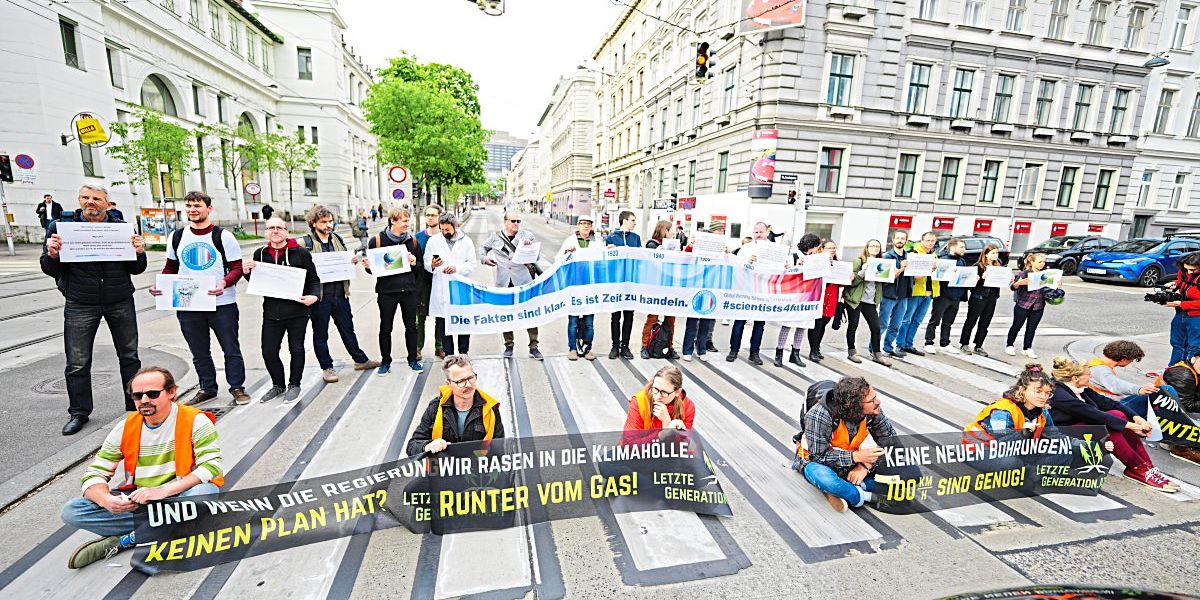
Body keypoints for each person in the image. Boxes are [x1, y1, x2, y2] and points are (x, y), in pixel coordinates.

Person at [60, 367, 222, 569]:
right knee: (72, 511)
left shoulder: (195, 420)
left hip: (180, 496)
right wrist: (107, 500)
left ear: (172, 392)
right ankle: (170, 530)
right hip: (142, 505)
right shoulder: (125, 427)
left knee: (203, 494)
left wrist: (161, 491)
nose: (144, 400)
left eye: (153, 394)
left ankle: (125, 540)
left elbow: (211, 466)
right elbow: (95, 473)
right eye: (137, 395)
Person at [42, 185, 146, 436]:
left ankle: (134, 408)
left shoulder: (122, 227)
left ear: (107, 203)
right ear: (79, 201)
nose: (90, 202)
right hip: (80, 301)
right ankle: (79, 413)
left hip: (119, 299)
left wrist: (140, 253)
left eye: (96, 198)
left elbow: (137, 269)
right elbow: (50, 269)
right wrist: (52, 255)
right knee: (77, 362)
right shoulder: (60, 227)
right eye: (85, 198)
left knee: (129, 356)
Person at [149, 191, 249, 405]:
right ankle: (207, 388)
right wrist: (161, 285)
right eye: (189, 206)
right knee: (199, 351)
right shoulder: (177, 237)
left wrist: (224, 282)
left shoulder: (223, 236)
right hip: (189, 303)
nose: (193, 209)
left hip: (222, 304)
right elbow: (171, 267)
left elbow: (237, 268)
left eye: (197, 205)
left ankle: (237, 387)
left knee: (230, 348)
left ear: (209, 208)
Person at [1049, 357, 1177, 492]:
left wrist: (1137, 418)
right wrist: (1132, 426)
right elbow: (1091, 414)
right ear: (1075, 378)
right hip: (1061, 435)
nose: (1090, 377)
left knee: (1117, 414)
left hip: (1081, 427)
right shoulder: (1058, 393)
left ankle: (1146, 466)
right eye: (1088, 375)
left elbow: (1110, 403)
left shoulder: (1081, 388)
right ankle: (1136, 467)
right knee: (1108, 429)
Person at [300, 205, 381, 383]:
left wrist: (350, 260)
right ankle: (327, 367)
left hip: (340, 293)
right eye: (324, 222)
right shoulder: (305, 243)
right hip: (320, 296)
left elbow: (344, 260)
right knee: (320, 333)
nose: (329, 225)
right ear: (313, 223)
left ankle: (360, 360)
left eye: (330, 221)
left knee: (347, 328)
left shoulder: (336, 238)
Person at [243, 218, 320, 402]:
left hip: (297, 311)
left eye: (279, 228)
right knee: (268, 351)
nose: (275, 231)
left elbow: (314, 280)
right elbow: (258, 283)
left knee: (297, 349)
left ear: (286, 231)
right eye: (271, 228)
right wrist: (247, 273)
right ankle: (278, 385)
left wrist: (314, 296)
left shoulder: (300, 253)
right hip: (271, 312)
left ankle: (294, 384)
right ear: (266, 232)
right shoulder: (260, 254)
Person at [793, 376, 897, 512]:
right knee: (826, 480)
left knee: (910, 472)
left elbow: (891, 441)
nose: (878, 401)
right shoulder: (819, 415)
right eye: (872, 400)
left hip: (854, 464)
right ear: (855, 407)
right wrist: (855, 457)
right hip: (818, 462)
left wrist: (864, 466)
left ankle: (844, 488)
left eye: (875, 396)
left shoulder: (873, 410)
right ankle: (861, 495)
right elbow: (818, 456)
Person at [366, 207, 426, 374]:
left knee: (411, 327)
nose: (408, 224)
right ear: (393, 221)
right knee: (386, 327)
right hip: (387, 292)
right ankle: (385, 362)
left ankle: (413, 360)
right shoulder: (377, 241)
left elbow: (420, 268)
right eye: (404, 221)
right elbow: (372, 270)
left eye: (409, 220)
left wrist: (415, 263)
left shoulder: (412, 242)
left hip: (408, 291)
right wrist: (368, 267)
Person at [406, 355, 505, 456]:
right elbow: (412, 446)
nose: (468, 385)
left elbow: (499, 449)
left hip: (477, 469)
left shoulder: (490, 409)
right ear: (448, 383)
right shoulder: (435, 408)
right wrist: (427, 446)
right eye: (460, 381)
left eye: (471, 378)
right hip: (444, 469)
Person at [479, 211, 543, 359]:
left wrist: (529, 246)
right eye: (513, 221)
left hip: (523, 281)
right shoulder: (495, 236)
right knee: (506, 314)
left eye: (518, 221)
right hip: (504, 281)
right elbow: (482, 248)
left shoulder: (527, 236)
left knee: (529, 313)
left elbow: (536, 257)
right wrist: (484, 259)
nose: (516, 224)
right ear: (505, 221)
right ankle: (509, 345)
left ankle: (534, 346)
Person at [426, 213, 478, 355]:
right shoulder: (433, 241)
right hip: (441, 287)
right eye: (442, 229)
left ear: (455, 227)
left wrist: (456, 269)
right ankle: (448, 355)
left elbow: (472, 264)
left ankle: (463, 354)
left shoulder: (466, 241)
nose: (444, 233)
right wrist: (432, 264)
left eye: (447, 230)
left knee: (463, 323)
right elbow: (426, 263)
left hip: (460, 287)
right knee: (444, 325)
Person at [728, 222, 778, 366]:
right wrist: (747, 261)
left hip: (763, 291)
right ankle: (734, 350)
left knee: (759, 324)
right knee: (739, 322)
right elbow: (738, 266)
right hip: (746, 290)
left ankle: (754, 353)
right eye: (756, 232)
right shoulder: (746, 248)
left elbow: (780, 268)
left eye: (761, 232)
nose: (758, 234)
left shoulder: (774, 249)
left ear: (767, 232)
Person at [775, 233, 822, 367]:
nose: (818, 250)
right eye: (817, 247)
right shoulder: (793, 256)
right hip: (794, 296)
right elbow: (785, 272)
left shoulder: (816, 259)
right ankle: (779, 353)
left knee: (802, 326)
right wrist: (796, 265)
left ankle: (795, 353)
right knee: (787, 325)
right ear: (811, 245)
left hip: (808, 296)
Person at [556, 214, 599, 360]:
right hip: (574, 286)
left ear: (591, 226)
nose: (585, 226)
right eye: (582, 223)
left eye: (588, 224)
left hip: (590, 287)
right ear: (578, 225)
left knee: (589, 322)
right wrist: (566, 252)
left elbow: (605, 260)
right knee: (573, 321)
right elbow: (558, 260)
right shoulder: (570, 241)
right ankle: (572, 348)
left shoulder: (598, 242)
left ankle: (588, 349)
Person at [844, 239, 891, 366]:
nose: (875, 248)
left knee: (876, 327)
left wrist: (887, 273)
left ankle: (877, 354)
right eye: (872, 246)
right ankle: (852, 352)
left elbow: (884, 283)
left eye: (878, 246)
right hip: (855, 299)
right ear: (867, 247)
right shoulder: (859, 261)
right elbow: (851, 282)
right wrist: (863, 271)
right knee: (853, 325)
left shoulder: (881, 262)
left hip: (870, 301)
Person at [1086, 341, 1159, 419]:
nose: (1131, 362)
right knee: (1155, 394)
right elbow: (1115, 385)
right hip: (1110, 409)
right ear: (1123, 359)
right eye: (1131, 360)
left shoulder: (1096, 364)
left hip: (1108, 404)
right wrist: (1139, 389)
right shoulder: (1101, 370)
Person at [623, 366, 695, 444]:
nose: (657, 397)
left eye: (664, 392)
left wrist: (667, 424)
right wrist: (662, 434)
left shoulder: (688, 406)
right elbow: (629, 444)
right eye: (655, 389)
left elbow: (683, 445)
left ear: (677, 392)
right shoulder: (639, 401)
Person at [641, 220, 680, 359]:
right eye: (671, 230)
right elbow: (648, 263)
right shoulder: (652, 244)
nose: (673, 233)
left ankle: (669, 347)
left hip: (670, 288)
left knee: (670, 320)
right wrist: (658, 253)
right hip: (656, 289)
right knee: (652, 318)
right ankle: (645, 346)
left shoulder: (674, 245)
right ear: (664, 230)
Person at [606, 211, 642, 359]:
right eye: (632, 220)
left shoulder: (636, 238)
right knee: (615, 317)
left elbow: (641, 258)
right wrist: (609, 251)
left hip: (631, 282)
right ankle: (615, 345)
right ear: (624, 221)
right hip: (616, 282)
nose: (634, 223)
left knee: (629, 316)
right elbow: (607, 260)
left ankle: (625, 346)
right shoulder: (612, 237)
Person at [898, 231, 940, 357]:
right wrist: (926, 271)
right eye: (928, 240)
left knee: (917, 321)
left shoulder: (934, 255)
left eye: (933, 241)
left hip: (928, 293)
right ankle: (900, 344)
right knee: (906, 319)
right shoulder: (914, 254)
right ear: (922, 241)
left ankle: (908, 344)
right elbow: (911, 276)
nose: (930, 243)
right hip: (915, 292)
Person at [924, 238, 968, 354]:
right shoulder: (943, 259)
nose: (964, 249)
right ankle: (929, 342)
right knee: (935, 320)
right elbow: (936, 276)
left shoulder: (962, 261)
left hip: (956, 296)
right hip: (943, 295)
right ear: (952, 247)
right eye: (961, 247)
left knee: (948, 321)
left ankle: (945, 343)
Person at [959, 244, 1003, 356]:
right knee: (971, 321)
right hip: (978, 297)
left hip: (991, 298)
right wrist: (980, 279)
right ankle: (964, 343)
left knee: (985, 323)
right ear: (986, 254)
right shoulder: (978, 266)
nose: (995, 255)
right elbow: (970, 284)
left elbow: (999, 282)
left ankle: (978, 345)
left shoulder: (998, 266)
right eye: (993, 253)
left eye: (996, 253)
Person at [414, 204, 445, 360]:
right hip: (422, 283)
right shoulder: (416, 238)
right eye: (428, 215)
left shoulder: (445, 237)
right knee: (420, 316)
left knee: (441, 315)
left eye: (433, 215)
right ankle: (418, 347)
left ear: (440, 216)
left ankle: (439, 346)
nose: (430, 218)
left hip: (440, 281)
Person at [805, 240, 843, 363]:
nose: (832, 250)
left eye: (834, 248)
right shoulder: (817, 261)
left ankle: (817, 348)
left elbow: (841, 282)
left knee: (823, 324)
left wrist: (848, 278)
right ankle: (813, 350)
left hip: (832, 297)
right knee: (817, 324)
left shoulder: (838, 264)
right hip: (820, 295)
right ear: (822, 249)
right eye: (829, 248)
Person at [1160, 354, 1200, 465]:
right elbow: (1186, 406)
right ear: (1196, 358)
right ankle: (1181, 447)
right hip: (1166, 417)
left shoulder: (1195, 369)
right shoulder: (1183, 375)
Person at [1006, 253, 1047, 359]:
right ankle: (1010, 345)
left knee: (1031, 328)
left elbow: (1050, 290)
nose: (1042, 264)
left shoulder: (1046, 274)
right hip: (1023, 304)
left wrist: (1056, 285)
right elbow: (1012, 287)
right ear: (1032, 262)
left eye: (1043, 262)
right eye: (1039, 262)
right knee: (1016, 326)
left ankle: (1027, 348)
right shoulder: (1024, 273)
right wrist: (1019, 283)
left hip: (1038, 306)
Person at [878, 231, 912, 359]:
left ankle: (888, 348)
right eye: (897, 238)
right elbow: (888, 277)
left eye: (903, 238)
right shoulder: (887, 257)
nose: (900, 240)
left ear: (906, 241)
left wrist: (930, 270)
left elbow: (914, 277)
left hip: (903, 296)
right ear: (893, 240)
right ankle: (874, 348)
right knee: (882, 325)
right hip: (888, 295)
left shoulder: (909, 257)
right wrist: (902, 268)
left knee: (895, 325)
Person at [1165, 252, 1200, 365]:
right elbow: (1183, 281)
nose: (1189, 272)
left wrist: (1182, 304)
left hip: (1196, 316)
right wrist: (1175, 284)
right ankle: (1173, 369)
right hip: (1181, 313)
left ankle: (1189, 373)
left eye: (1193, 270)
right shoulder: (1185, 270)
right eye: (1187, 269)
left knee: (1194, 347)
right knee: (1177, 343)